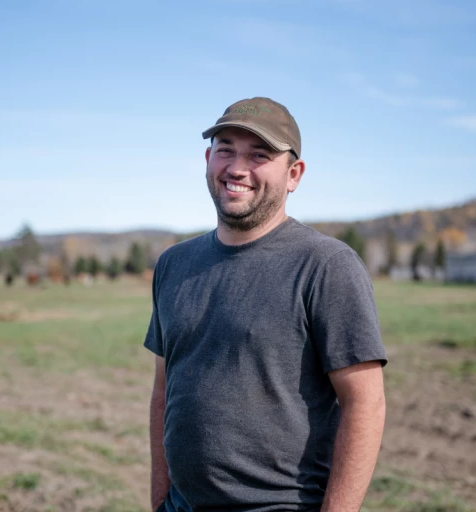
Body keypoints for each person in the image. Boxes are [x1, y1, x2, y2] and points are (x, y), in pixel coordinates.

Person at [145, 97, 387, 512]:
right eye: (226, 150)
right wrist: (159, 498)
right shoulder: (174, 264)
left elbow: (365, 402)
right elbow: (164, 390)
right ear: (208, 159)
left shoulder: (326, 266)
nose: (237, 168)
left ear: (294, 175)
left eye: (260, 155)